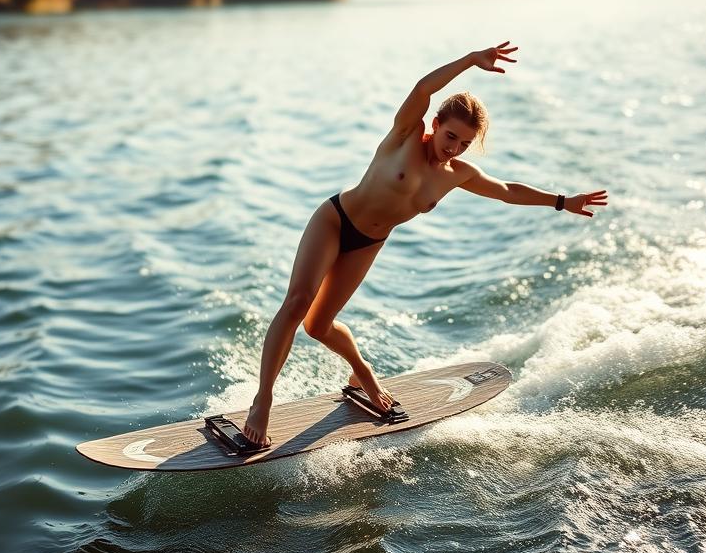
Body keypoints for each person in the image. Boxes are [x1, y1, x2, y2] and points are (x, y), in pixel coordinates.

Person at [242, 42, 608, 448]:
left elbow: (506, 190)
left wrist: (561, 201)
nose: (454, 148)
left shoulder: (458, 174)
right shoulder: (406, 135)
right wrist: (470, 60)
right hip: (334, 220)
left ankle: (361, 370)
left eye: (465, 144)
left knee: (318, 326)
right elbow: (422, 89)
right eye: (450, 136)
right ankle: (264, 399)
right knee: (297, 303)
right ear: (436, 124)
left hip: (368, 243)